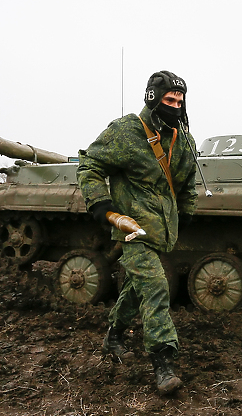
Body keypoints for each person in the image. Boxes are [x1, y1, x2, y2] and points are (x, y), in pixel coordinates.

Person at [77, 71, 198, 395]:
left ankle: (114, 337)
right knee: (157, 287)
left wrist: (183, 217)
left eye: (179, 100)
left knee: (135, 288)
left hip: (162, 230)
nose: (175, 105)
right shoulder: (127, 130)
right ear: (152, 98)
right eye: (168, 99)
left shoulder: (184, 140)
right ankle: (163, 362)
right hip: (131, 228)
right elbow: (89, 165)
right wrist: (101, 205)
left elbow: (187, 187)